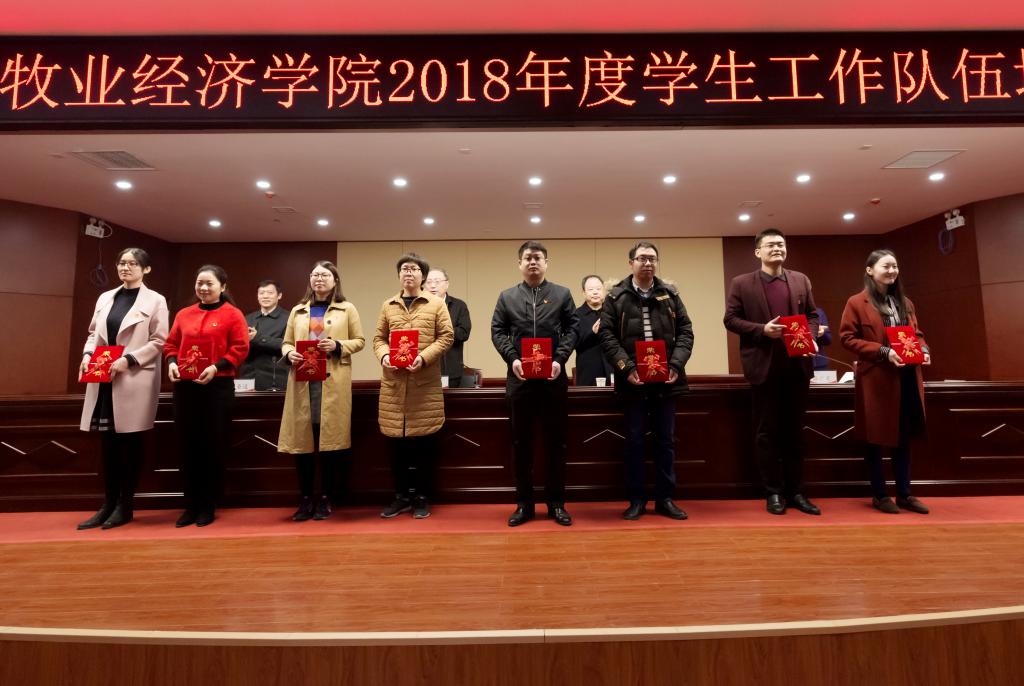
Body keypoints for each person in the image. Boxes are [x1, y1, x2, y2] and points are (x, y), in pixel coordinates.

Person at [724, 228, 821, 516]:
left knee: (795, 433)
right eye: (770, 245)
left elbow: (813, 315)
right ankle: (773, 492)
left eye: (781, 244)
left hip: (797, 368)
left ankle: (796, 492)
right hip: (763, 369)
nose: (777, 248)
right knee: (767, 433)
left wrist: (810, 336)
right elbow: (730, 319)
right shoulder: (742, 283)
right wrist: (762, 330)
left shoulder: (800, 279)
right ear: (758, 252)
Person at [599, 242, 694, 520]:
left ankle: (665, 499)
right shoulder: (616, 296)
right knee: (634, 442)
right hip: (633, 382)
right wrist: (626, 368)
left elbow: (686, 332)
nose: (648, 263)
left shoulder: (670, 294)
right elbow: (606, 335)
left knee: (666, 442)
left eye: (652, 258)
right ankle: (636, 500)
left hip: (667, 381)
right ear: (631, 263)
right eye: (642, 258)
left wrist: (675, 364)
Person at [76, 248, 169, 530]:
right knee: (108, 445)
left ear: (146, 269)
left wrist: (128, 359)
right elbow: (93, 333)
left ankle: (125, 505)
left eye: (132, 264)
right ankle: (108, 503)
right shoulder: (106, 297)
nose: (125, 268)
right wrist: (87, 355)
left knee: (130, 443)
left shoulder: (156, 300)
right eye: (121, 263)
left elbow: (159, 340)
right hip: (104, 375)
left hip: (134, 376)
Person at [490, 240, 578, 527]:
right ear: (519, 263)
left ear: (546, 263)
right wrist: (512, 358)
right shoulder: (507, 297)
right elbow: (498, 331)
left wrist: (560, 359)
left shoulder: (562, 294)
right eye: (527, 258)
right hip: (520, 380)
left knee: (556, 444)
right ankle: (524, 505)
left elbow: (573, 329)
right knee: (521, 444)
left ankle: (556, 504)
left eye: (538, 258)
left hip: (553, 378)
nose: (532, 262)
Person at [839, 249, 931, 515]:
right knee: (875, 437)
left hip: (907, 376)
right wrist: (883, 351)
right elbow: (847, 338)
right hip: (876, 378)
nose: (892, 271)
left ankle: (904, 493)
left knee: (904, 436)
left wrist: (923, 349)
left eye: (895, 266)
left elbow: (917, 333)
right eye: (886, 266)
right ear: (870, 270)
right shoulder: (857, 302)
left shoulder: (905, 302)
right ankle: (880, 495)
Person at [278, 261, 365, 521]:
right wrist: (289, 353)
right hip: (303, 383)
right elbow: (286, 342)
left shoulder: (347, 308)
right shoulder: (298, 310)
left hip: (333, 382)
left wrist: (337, 345)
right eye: (315, 274)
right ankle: (306, 498)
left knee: (329, 443)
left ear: (335, 280)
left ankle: (326, 497)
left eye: (325, 275)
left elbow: (359, 340)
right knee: (302, 444)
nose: (319, 279)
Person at [164, 265, 249, 527]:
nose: (203, 288)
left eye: (209, 283)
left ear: (223, 286)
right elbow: (171, 344)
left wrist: (216, 367)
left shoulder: (233, 314)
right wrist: (171, 363)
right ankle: (190, 505)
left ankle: (208, 505)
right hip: (186, 388)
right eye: (199, 283)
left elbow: (240, 347)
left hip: (217, 388)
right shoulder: (184, 314)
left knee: (213, 446)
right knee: (187, 446)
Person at [373, 253, 454, 519]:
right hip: (394, 387)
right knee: (396, 447)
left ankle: (421, 496)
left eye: (414, 269)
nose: (408, 272)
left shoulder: (436, 304)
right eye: (404, 269)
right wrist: (384, 356)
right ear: (399, 275)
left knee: (424, 447)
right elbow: (378, 339)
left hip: (424, 386)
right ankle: (400, 496)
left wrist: (424, 357)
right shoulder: (388, 305)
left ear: (423, 276)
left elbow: (447, 336)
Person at [425, 268, 472, 388]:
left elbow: (463, 334)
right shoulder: (420, 306)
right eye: (429, 282)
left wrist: (440, 329)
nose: (432, 286)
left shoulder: (459, 306)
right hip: (424, 369)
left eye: (437, 281)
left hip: (451, 370)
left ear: (446, 284)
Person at [239, 280, 289, 391]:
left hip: (275, 378)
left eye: (270, 293)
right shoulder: (247, 318)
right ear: (257, 296)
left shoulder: (288, 318)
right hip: (248, 376)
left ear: (279, 295)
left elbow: (287, 345)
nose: (265, 296)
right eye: (261, 293)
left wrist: (257, 338)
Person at [574, 274, 614, 386]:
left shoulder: (612, 313)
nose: (595, 292)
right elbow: (573, 344)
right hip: (588, 371)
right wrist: (592, 333)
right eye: (591, 289)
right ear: (584, 292)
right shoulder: (576, 315)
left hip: (612, 368)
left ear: (604, 291)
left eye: (598, 289)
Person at [813, 306, 832, 371]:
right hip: (795, 363)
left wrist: (822, 333)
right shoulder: (789, 312)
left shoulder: (818, 312)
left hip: (818, 362)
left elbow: (828, 340)